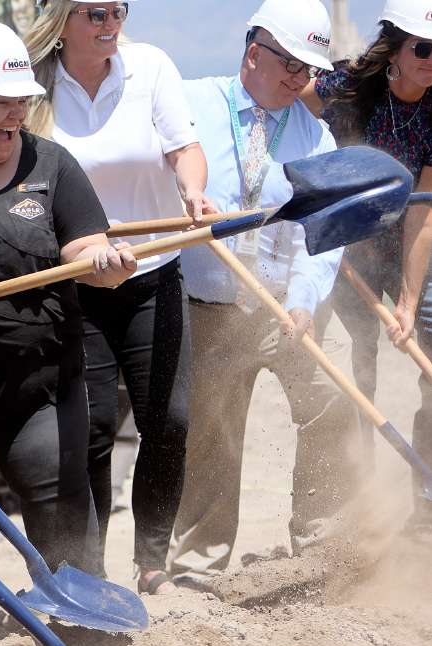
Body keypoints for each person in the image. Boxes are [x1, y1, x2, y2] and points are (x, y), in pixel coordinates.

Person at [0, 21, 136, 646]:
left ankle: (86, 628)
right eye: (2, 101)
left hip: (35, 379)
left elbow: (87, 242)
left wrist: (103, 263)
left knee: (64, 514)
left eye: (25, 100)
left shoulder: (52, 164)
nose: (19, 114)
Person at [168, 0, 362, 587]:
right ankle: (198, 564)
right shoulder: (192, 105)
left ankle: (319, 542)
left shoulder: (316, 136)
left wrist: (305, 299)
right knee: (213, 432)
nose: (301, 79)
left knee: (333, 396)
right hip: (211, 300)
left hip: (286, 300)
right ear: (256, 50)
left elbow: (321, 235)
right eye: (291, 66)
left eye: (309, 71)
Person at [25, 0, 216, 594]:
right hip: (77, 283)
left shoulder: (150, 67)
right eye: (95, 15)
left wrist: (193, 191)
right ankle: (92, 574)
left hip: (152, 271)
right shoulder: (34, 80)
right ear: (63, 19)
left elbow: (184, 148)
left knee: (171, 420)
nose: (111, 26)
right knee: (94, 429)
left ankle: (153, 561)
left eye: (118, 11)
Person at [301, 0, 432, 536]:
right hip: (343, 248)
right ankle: (346, 506)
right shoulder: (344, 86)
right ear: (396, 50)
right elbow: (291, 119)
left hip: (413, 245)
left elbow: (423, 210)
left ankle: (425, 513)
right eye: (424, 48)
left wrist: (406, 300)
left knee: (429, 365)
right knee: (351, 375)